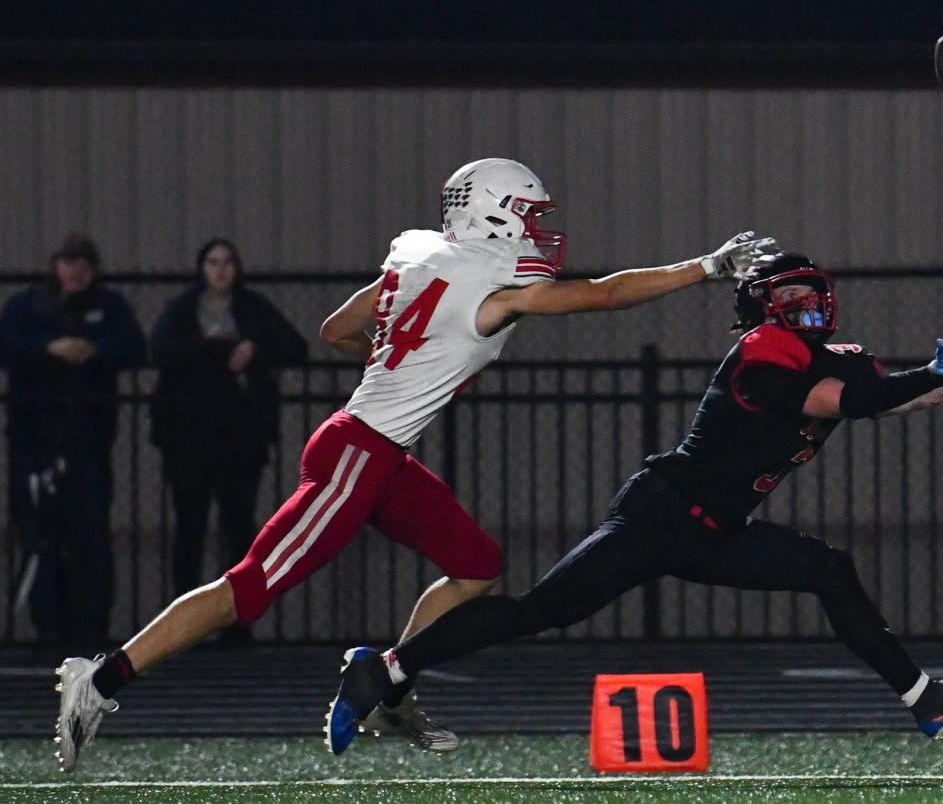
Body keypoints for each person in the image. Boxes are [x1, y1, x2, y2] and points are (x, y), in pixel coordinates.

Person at [52, 157, 774, 771]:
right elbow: (605, 293)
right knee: (249, 588)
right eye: (525, 213)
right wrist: (703, 267)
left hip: (373, 447)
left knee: (478, 564)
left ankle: (388, 685)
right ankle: (102, 675)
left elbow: (339, 328)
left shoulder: (415, 251)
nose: (536, 228)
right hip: (360, 451)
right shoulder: (491, 288)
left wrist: (400, 364)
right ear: (493, 214)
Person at [325, 251, 943, 753]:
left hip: (717, 528)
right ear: (762, 307)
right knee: (539, 610)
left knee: (828, 568)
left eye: (808, 295)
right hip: (661, 513)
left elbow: (914, 395)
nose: (802, 308)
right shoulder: (764, 348)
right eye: (787, 297)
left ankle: (924, 698)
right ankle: (386, 669)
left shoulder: (838, 358)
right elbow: (850, 400)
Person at [150, 238, 307, 628]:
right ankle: (181, 625)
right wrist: (217, 355)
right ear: (201, 268)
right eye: (212, 262)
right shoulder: (183, 310)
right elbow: (160, 350)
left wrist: (256, 350)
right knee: (190, 528)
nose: (220, 270)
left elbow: (295, 346)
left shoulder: (253, 308)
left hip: (241, 438)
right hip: (189, 437)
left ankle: (237, 624)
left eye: (227, 262)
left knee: (239, 529)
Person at [0, 235, 146, 646]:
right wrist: (50, 351)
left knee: (90, 531)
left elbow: (133, 346)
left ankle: (90, 623)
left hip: (89, 439)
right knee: (40, 529)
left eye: (83, 263)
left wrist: (92, 351)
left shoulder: (110, 306)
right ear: (55, 266)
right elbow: (8, 345)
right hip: (34, 438)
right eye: (68, 262)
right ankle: (47, 622)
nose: (75, 271)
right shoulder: (29, 306)